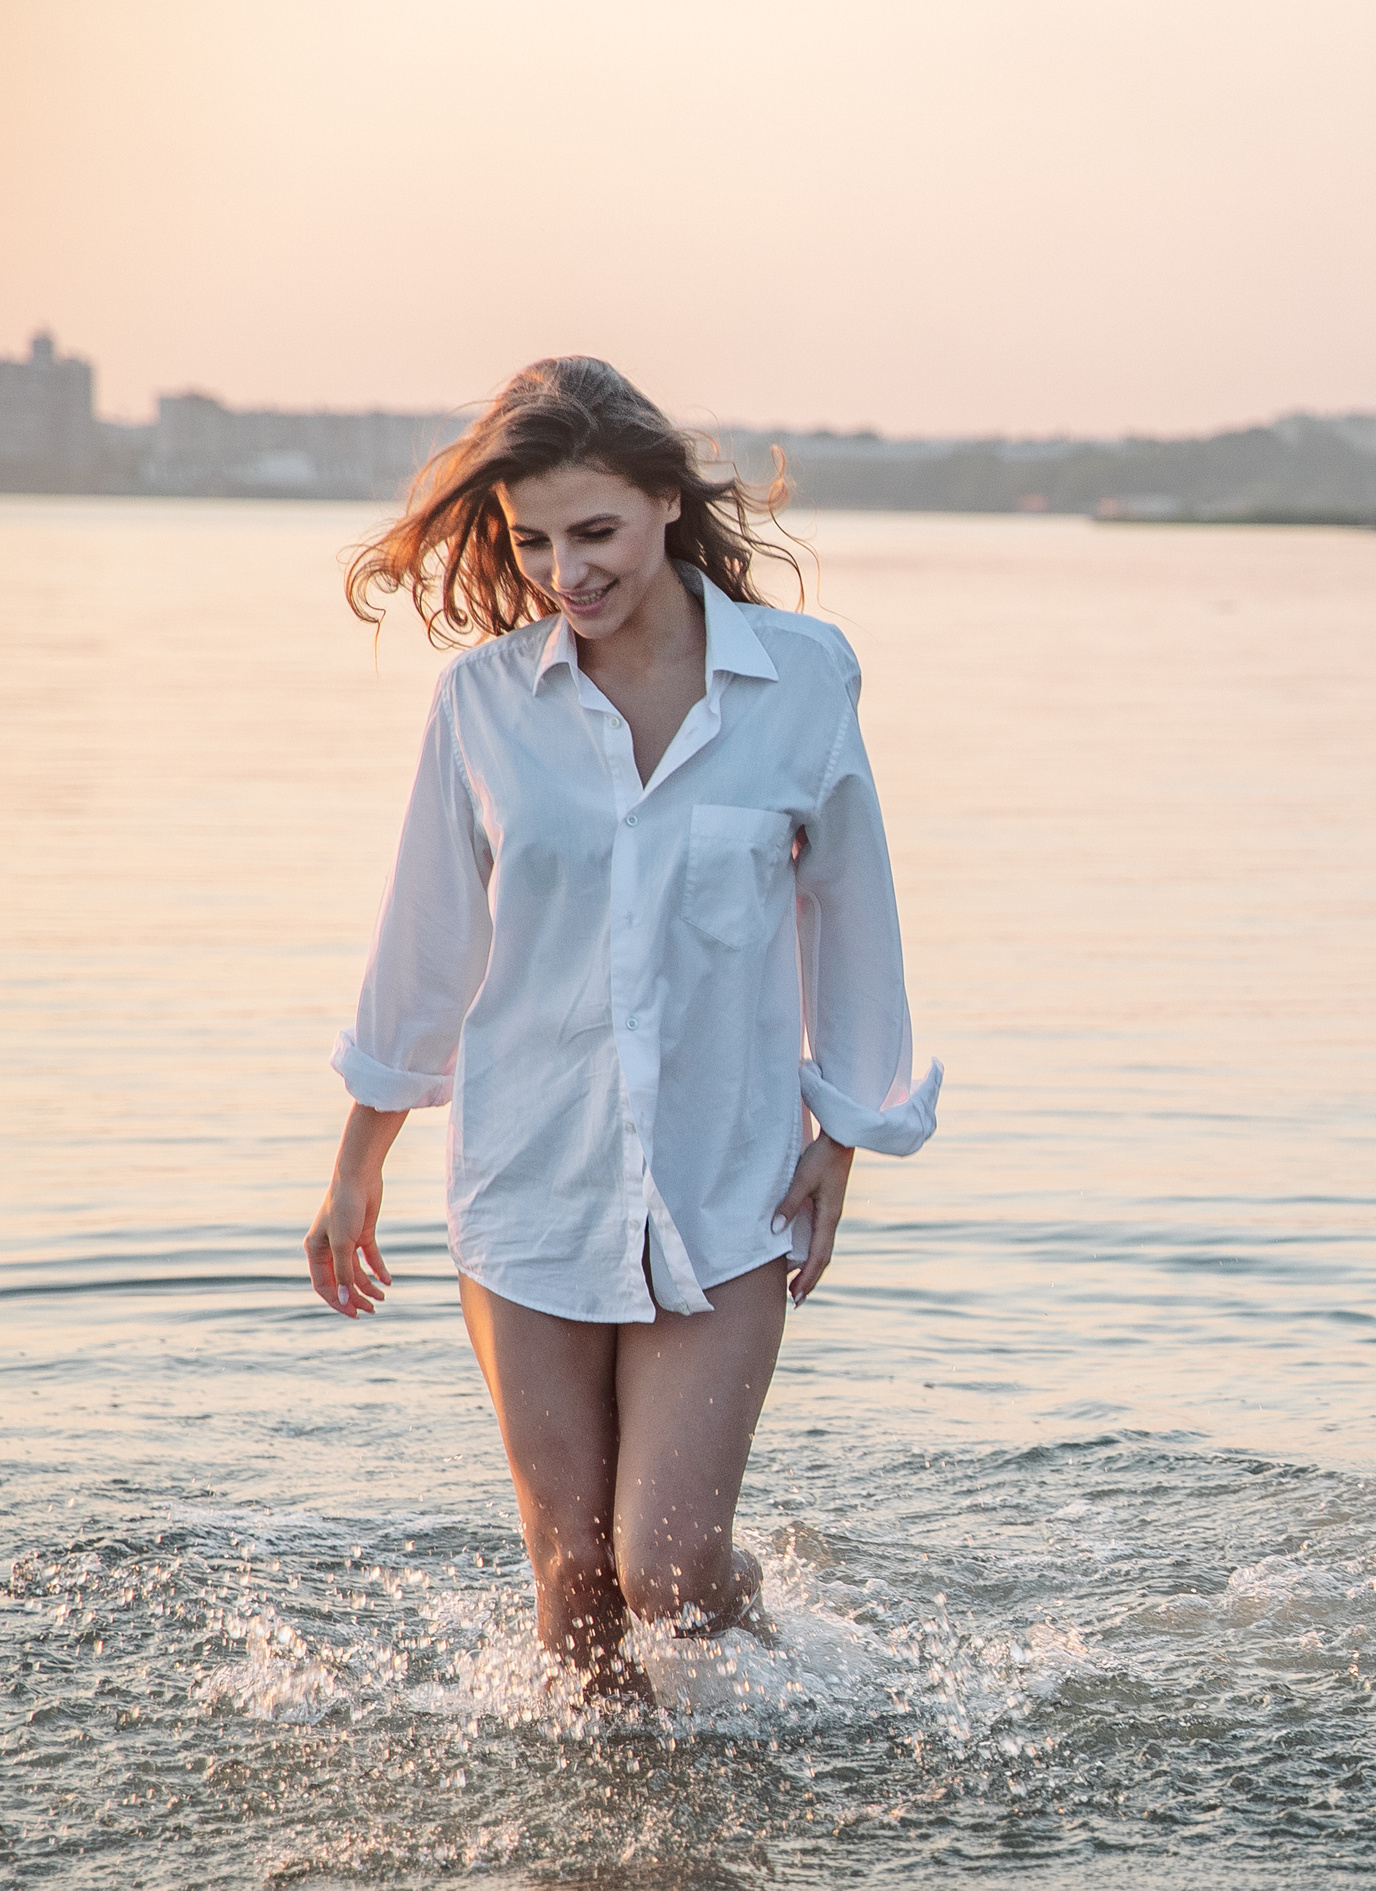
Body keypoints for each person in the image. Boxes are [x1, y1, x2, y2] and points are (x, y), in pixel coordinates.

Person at [304, 357, 940, 1699]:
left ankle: (769, 1656)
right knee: (579, 1590)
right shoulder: (482, 704)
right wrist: (357, 1164)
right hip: (530, 1174)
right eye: (533, 541)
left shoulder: (804, 682)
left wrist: (852, 1125)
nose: (563, 573)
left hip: (727, 1177)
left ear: (664, 502)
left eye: (593, 534)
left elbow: (854, 906)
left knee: (670, 1567)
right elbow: (428, 945)